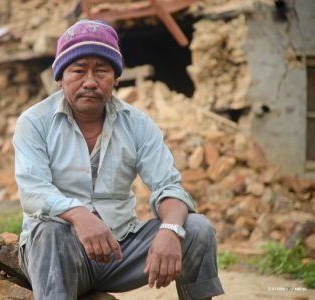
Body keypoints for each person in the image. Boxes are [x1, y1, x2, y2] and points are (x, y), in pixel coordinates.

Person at [13, 19, 224, 300]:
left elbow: (169, 187)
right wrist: (80, 217)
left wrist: (170, 230)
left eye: (101, 71)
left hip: (120, 251)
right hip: (59, 256)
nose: (90, 81)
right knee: (49, 231)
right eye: (78, 70)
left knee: (197, 228)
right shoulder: (35, 122)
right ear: (60, 77)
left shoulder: (137, 124)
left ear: (116, 78)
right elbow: (33, 191)